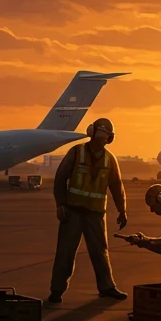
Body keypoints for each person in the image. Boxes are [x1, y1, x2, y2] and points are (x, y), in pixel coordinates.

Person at [47, 116, 128, 304]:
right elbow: (60, 179)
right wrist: (60, 204)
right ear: (92, 132)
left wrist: (122, 210)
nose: (103, 138)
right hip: (73, 211)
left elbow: (117, 187)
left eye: (106, 135)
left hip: (96, 213)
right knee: (65, 252)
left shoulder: (109, 159)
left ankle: (107, 287)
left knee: (100, 252)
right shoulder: (77, 152)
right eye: (101, 133)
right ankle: (57, 290)